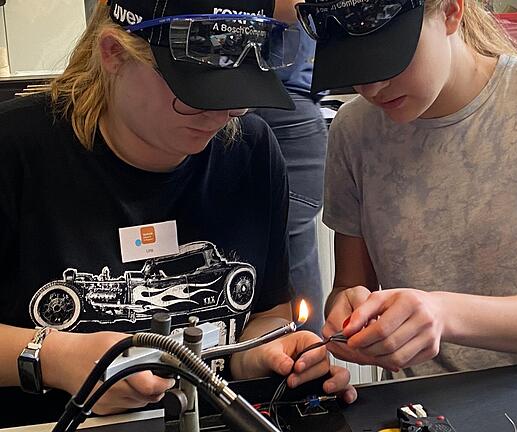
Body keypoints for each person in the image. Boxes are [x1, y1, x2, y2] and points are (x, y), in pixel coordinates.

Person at [0, 0, 355, 427]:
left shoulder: (250, 152)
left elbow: (267, 312)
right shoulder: (15, 151)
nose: (224, 114)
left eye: (239, 91)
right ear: (113, 54)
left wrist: (259, 354)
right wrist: (56, 358)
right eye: (196, 95)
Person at [298, 0, 517, 378]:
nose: (372, 87)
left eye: (388, 59)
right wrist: (349, 309)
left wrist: (441, 314)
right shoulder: (353, 130)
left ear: (452, 12)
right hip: (421, 405)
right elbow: (350, 287)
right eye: (355, 67)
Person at [248, 1, 329, 334]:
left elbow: (299, 6)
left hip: (283, 109)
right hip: (272, 103)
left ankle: (310, 378)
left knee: (284, 268)